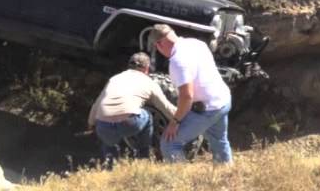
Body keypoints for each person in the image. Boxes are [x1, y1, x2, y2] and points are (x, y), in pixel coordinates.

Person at [151, 23, 233, 164]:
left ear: (159, 44)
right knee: (219, 140)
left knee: (169, 144)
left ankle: (184, 182)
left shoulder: (177, 61)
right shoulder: (197, 43)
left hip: (208, 109)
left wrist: (175, 122)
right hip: (223, 100)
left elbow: (187, 96)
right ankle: (228, 176)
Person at [87, 52, 175, 164]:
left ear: (129, 65)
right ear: (147, 69)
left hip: (103, 125)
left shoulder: (114, 79)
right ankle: (144, 156)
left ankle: (109, 164)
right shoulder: (149, 82)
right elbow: (165, 107)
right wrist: (181, 119)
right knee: (147, 116)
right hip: (129, 124)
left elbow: (96, 104)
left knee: (108, 142)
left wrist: (91, 124)